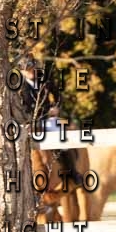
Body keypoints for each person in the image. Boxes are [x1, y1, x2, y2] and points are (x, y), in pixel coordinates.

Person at [19, 55, 80, 184]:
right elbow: (20, 108)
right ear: (22, 72)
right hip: (29, 123)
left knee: (60, 136)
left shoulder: (44, 79)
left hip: (47, 118)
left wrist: (56, 107)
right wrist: (28, 121)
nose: (31, 72)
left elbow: (58, 95)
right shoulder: (19, 87)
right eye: (27, 70)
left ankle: (71, 171)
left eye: (32, 69)